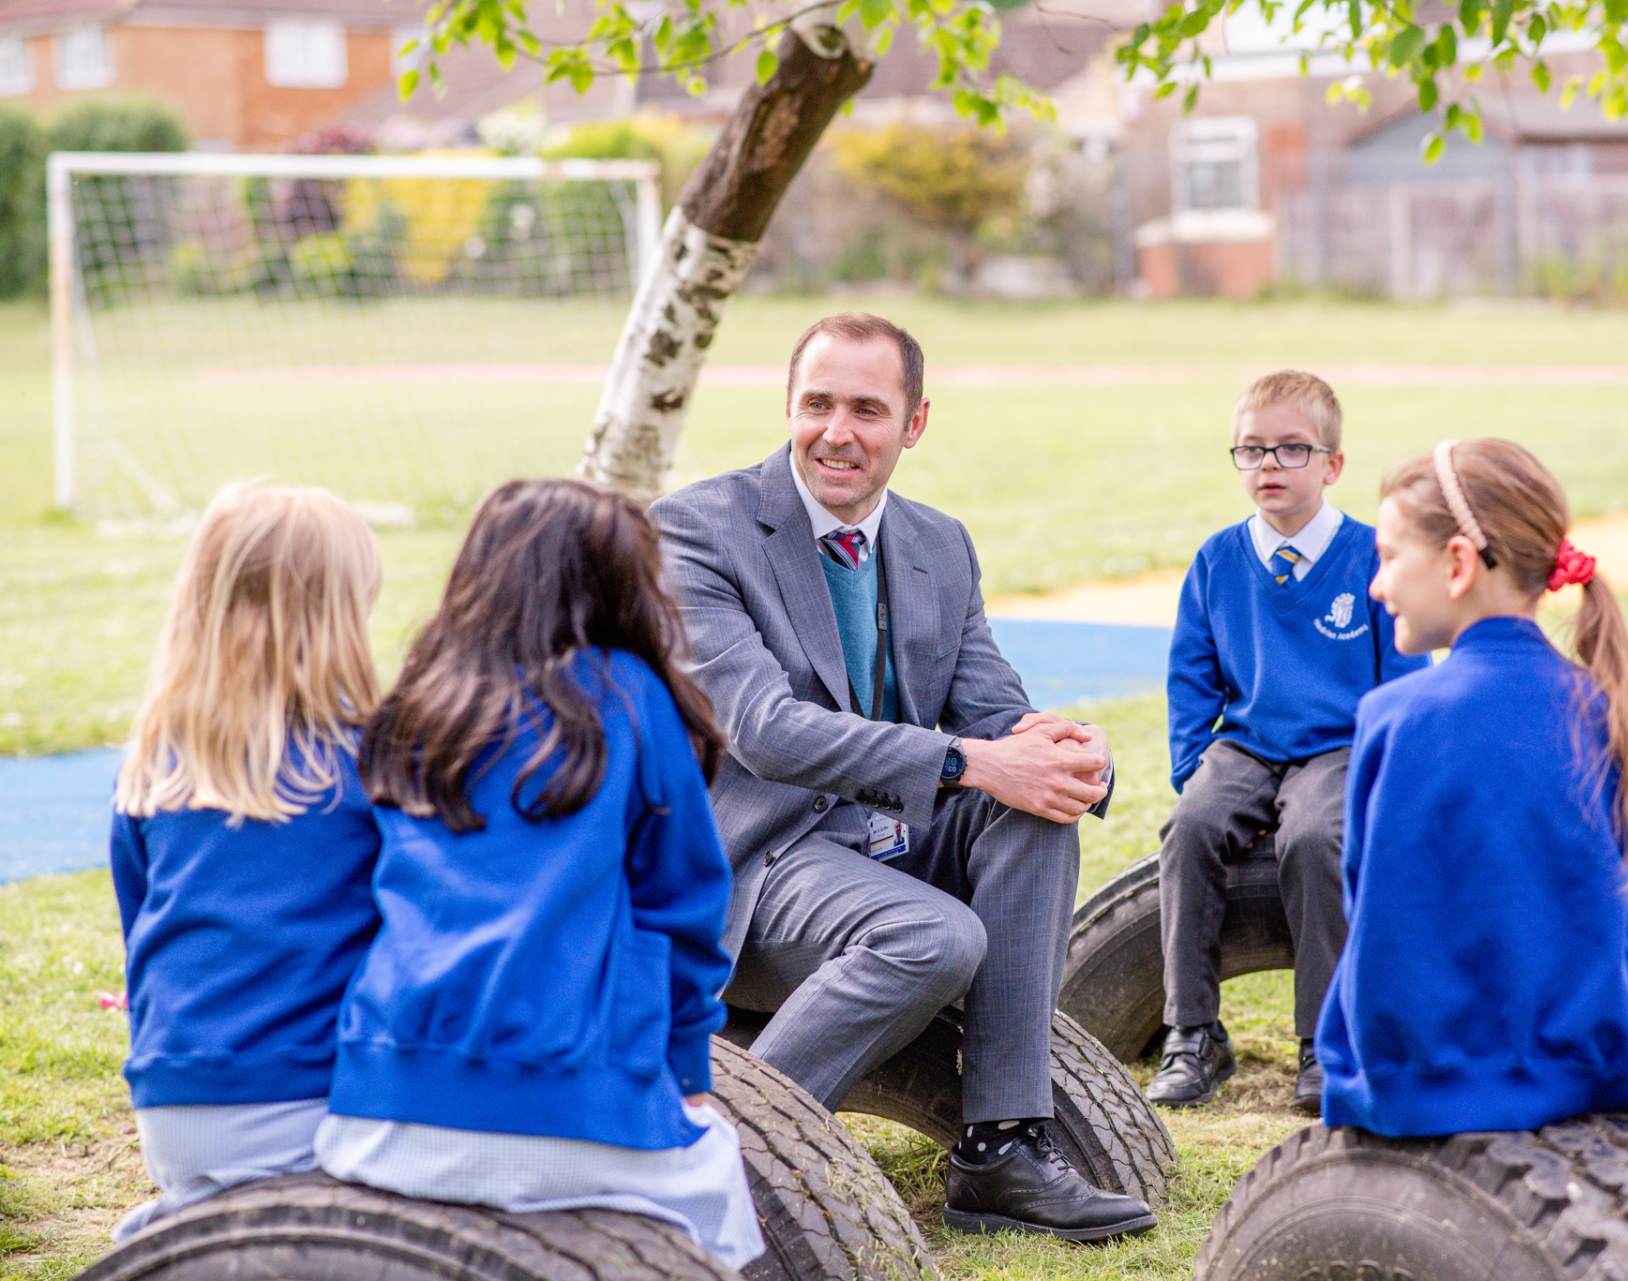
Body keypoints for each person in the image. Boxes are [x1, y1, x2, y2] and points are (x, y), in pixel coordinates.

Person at [652, 312, 1155, 1242]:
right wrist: (971, 760)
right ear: (790, 407)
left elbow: (993, 710)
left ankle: (1000, 1149)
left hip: (885, 843)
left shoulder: (939, 543)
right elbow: (765, 730)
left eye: (866, 410)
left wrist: (1067, 751)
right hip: (762, 863)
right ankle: (727, 1152)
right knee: (936, 936)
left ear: (913, 423)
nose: (837, 432)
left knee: (1034, 809)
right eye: (818, 404)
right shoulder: (697, 529)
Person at [315, 478, 762, 1271]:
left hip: (379, 1114)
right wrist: (687, 1075)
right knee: (721, 1189)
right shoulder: (633, 698)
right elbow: (686, 909)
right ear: (618, 583)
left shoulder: (415, 702)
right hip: (574, 1111)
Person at [1317, 438, 1628, 1137]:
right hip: (1606, 1066)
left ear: (1458, 562)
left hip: (1432, 1080)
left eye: (1389, 556)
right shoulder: (1612, 708)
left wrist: (1356, 1068)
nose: (1377, 584)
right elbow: (1625, 907)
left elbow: (1376, 921)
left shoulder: (1398, 716)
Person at [108, 482, 384, 1239]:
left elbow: (142, 938)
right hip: (314, 1097)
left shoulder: (153, 768)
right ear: (344, 615)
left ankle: (179, 1216)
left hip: (173, 1097)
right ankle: (180, 1229)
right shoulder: (373, 764)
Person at [1150, 370, 1425, 1112]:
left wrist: (1378, 777)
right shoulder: (1217, 560)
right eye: (1251, 450)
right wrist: (1192, 768)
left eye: (1290, 449)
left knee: (1312, 836)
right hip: (1246, 746)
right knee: (1191, 826)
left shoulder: (1372, 556)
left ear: (1332, 465)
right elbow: (1191, 676)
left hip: (1339, 747)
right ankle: (1193, 1034)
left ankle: (1324, 1043)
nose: (1268, 465)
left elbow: (1401, 681)